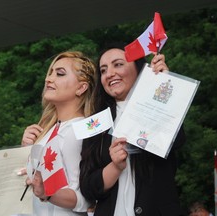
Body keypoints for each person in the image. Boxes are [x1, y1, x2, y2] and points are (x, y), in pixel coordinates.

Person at [79, 42, 186, 216]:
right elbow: (87, 188)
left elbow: (178, 140)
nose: (110, 74)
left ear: (138, 69)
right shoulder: (95, 123)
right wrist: (115, 166)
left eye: (118, 64)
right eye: (103, 70)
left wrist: (164, 83)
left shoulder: (158, 107)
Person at [21, 51, 96, 216]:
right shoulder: (47, 130)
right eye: (50, 73)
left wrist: (47, 192)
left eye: (60, 74)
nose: (49, 79)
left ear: (81, 87)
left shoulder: (79, 131)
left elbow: (84, 199)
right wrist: (26, 150)